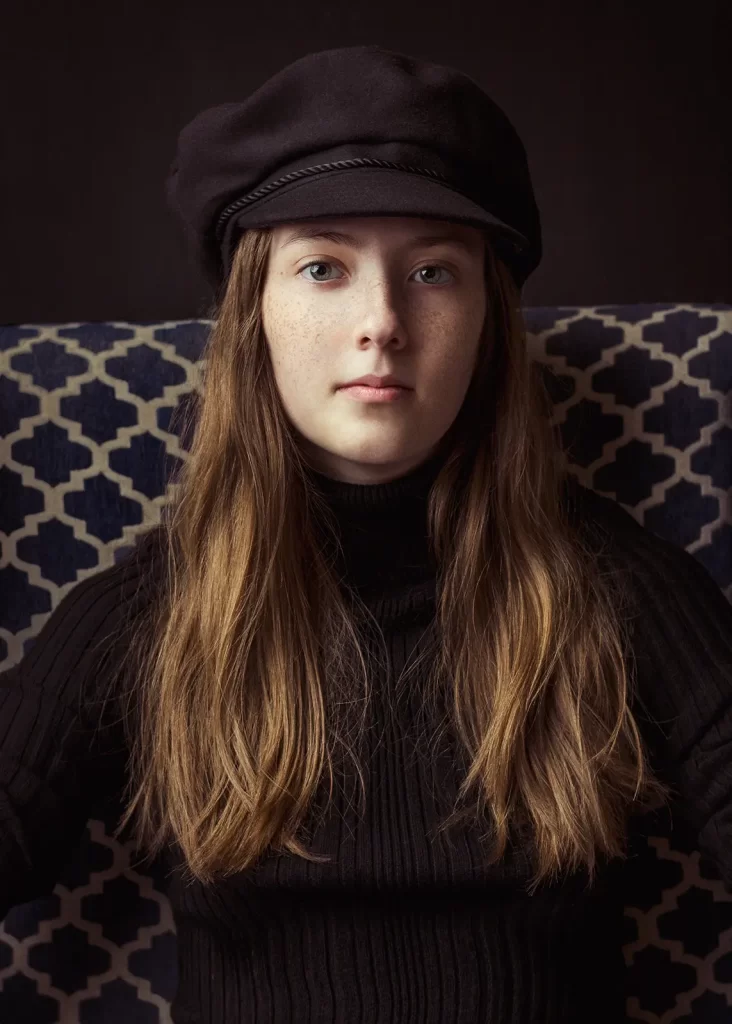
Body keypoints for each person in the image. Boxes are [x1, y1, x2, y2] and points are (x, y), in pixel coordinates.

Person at [1, 43, 731, 1024]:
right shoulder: (154, 612)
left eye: (433, 270)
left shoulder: (614, 585)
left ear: (486, 322)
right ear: (252, 317)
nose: (382, 320)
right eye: (324, 267)